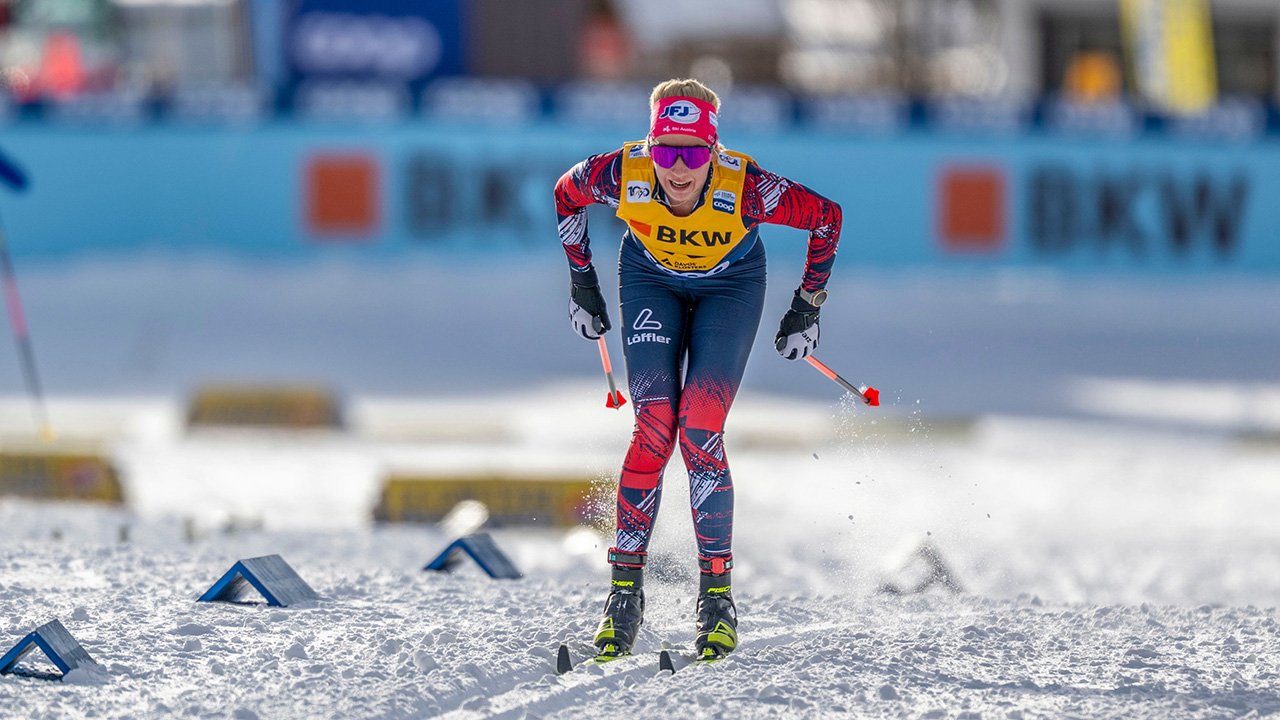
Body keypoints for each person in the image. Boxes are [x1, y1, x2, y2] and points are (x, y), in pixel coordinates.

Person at [553, 78, 842, 660]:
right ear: (650, 146)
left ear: (714, 152)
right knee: (654, 425)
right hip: (649, 279)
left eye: (692, 153)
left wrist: (806, 307)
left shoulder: (749, 188)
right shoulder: (623, 172)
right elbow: (565, 194)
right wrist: (583, 282)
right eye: (665, 151)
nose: (677, 169)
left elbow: (827, 219)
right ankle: (624, 594)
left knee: (700, 428)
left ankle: (716, 598)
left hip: (729, 288)